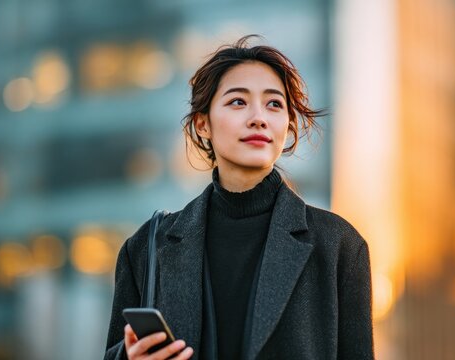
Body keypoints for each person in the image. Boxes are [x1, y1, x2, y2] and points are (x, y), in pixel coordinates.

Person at [104, 35, 374, 360]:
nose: (258, 117)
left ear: (287, 127)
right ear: (202, 124)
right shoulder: (145, 248)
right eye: (238, 102)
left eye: (274, 104)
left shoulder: (338, 245)